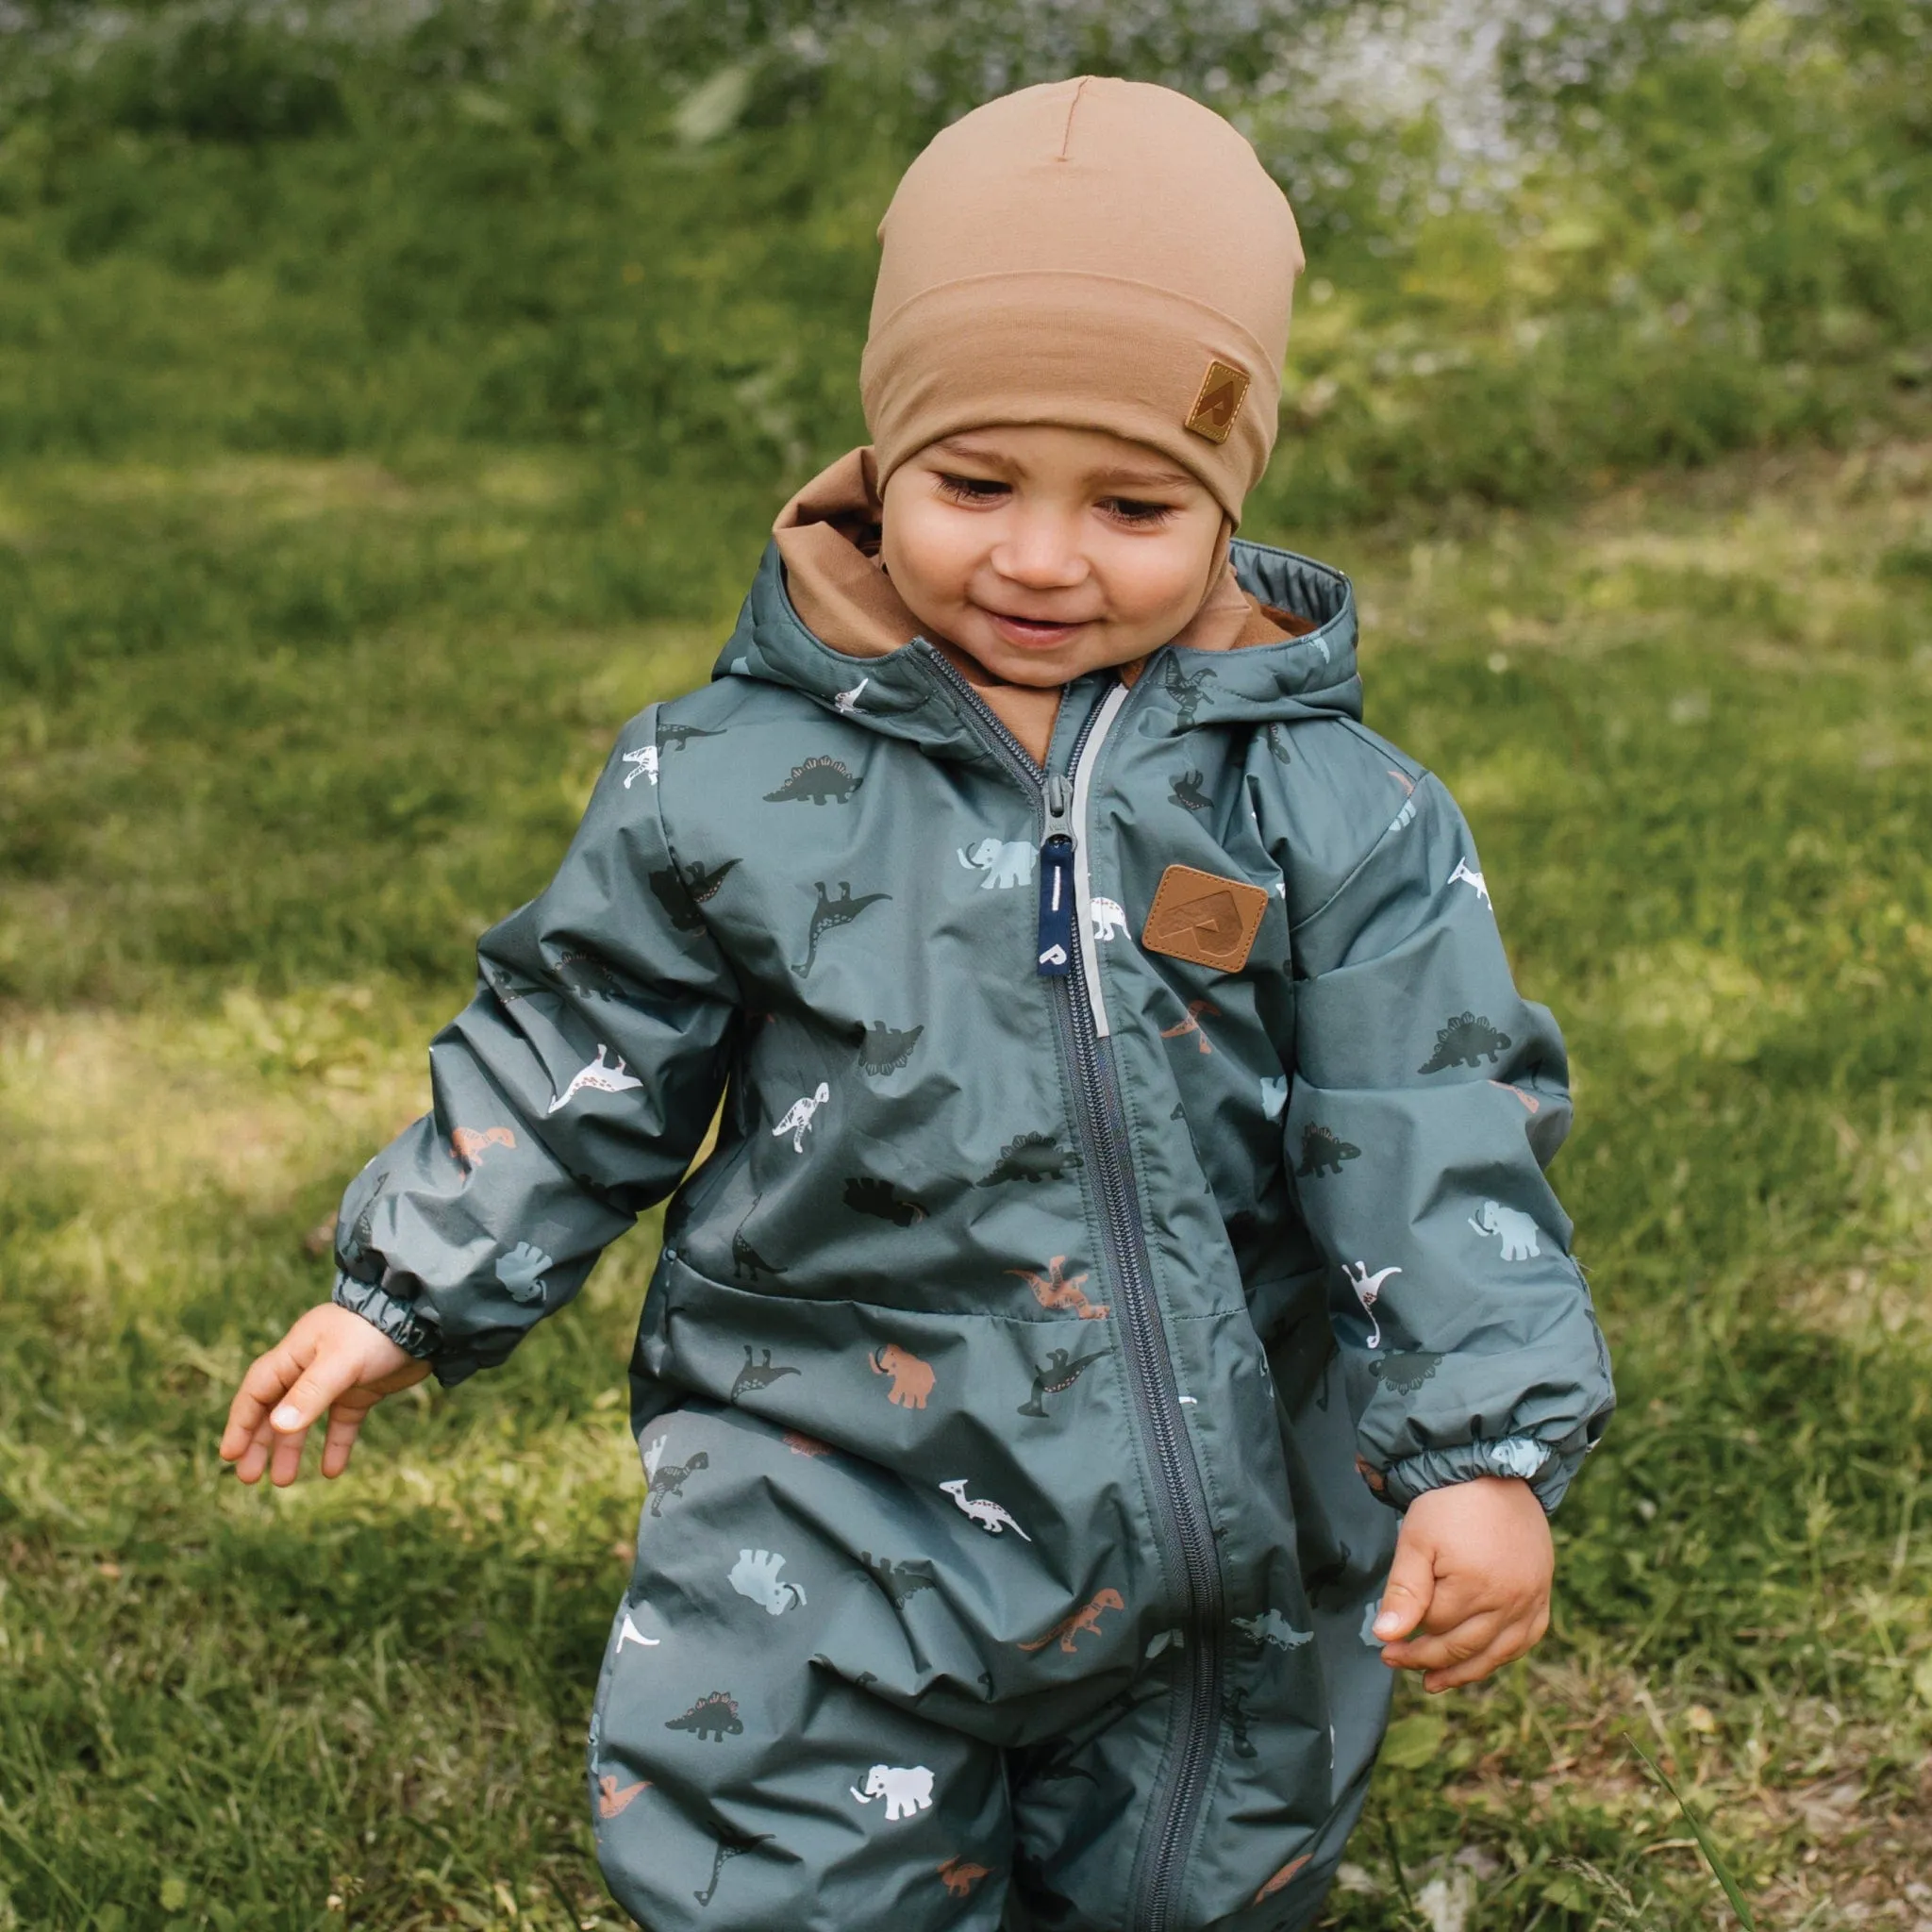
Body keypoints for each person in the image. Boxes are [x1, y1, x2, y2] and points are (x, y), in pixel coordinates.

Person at [220, 75, 1614, 1932]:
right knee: (780, 1857)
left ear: (1232, 491)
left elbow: (1433, 1126)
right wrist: (406, 1284)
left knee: (1194, 1881)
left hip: (1225, 1513)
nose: (1040, 557)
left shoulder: (1329, 811)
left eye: (1131, 503)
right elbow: (582, 1039)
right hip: (825, 1477)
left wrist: (1482, 1453)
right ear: (882, 464)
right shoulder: (717, 781)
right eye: (976, 486)